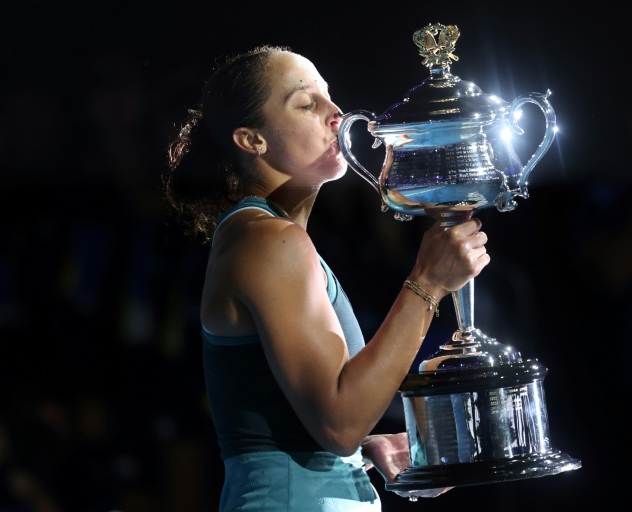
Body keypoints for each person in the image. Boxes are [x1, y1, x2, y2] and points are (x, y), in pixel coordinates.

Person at [162, 44, 490, 511]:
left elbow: (321, 427)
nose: (336, 113)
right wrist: (429, 282)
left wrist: (360, 455)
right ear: (252, 140)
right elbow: (339, 424)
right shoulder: (268, 240)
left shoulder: (269, 237)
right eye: (306, 103)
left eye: (329, 97)